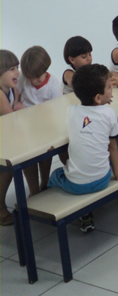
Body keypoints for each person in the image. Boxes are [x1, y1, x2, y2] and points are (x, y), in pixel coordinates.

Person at [47, 64, 118, 232]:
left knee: (56, 174)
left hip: (76, 185)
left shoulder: (71, 111)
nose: (112, 89)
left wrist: (99, 103)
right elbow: (113, 147)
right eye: (109, 87)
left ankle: (43, 192)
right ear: (98, 98)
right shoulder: (109, 114)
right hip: (102, 180)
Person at [18, 46, 62, 196]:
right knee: (28, 158)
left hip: (45, 127)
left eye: (37, 78)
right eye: (30, 77)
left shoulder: (53, 83)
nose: (34, 81)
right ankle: (33, 190)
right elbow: (16, 94)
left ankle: (44, 182)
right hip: (26, 127)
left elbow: (57, 108)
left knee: (45, 155)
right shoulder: (23, 79)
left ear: (45, 69)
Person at [0, 50, 25, 226]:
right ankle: (0, 205)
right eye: (12, 69)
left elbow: (16, 93)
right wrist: (17, 109)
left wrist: (16, 102)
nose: (17, 72)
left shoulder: (9, 87)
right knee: (8, 167)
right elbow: (11, 118)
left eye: (17, 67)